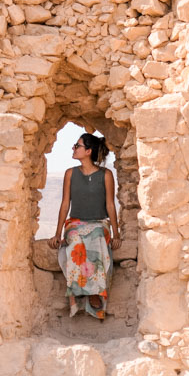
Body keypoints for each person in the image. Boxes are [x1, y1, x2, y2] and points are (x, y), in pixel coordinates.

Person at [49, 133, 121, 320]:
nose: (73, 148)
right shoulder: (70, 173)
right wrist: (57, 234)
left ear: (88, 151)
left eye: (77, 145)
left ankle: (94, 292)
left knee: (97, 237)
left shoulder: (106, 175)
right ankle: (75, 292)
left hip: (99, 222)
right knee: (73, 238)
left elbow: (110, 205)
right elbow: (65, 204)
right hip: (76, 222)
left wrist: (116, 233)